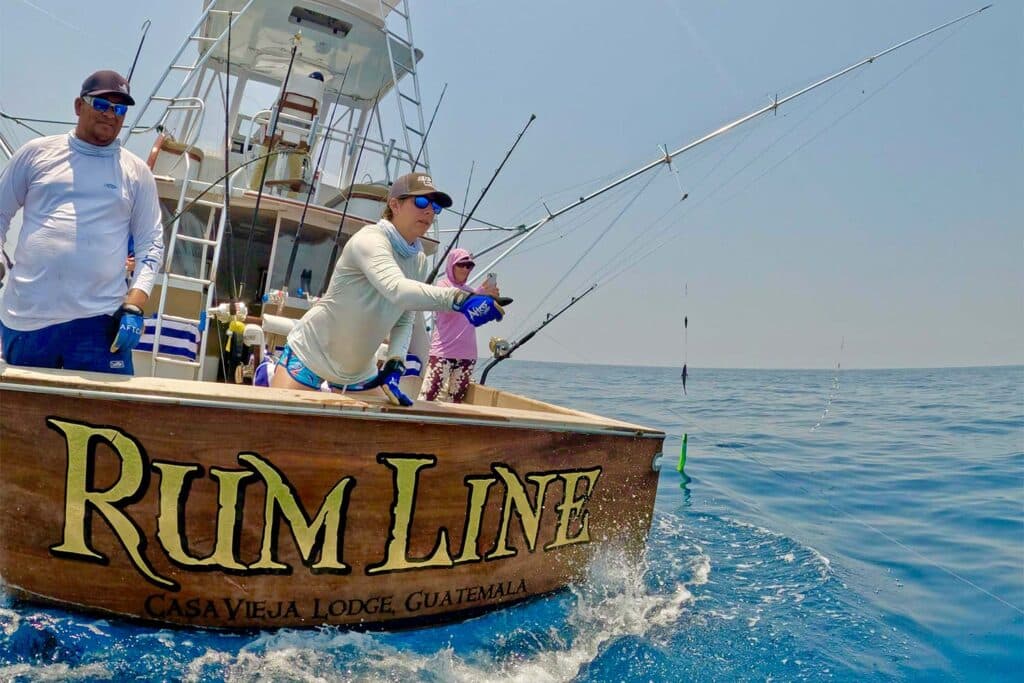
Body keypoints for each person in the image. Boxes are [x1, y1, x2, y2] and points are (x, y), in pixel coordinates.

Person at [271, 173, 505, 406]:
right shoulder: (370, 239)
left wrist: (395, 362)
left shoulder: (420, 259)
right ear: (394, 204)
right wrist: (462, 300)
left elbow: (405, 316)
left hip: (359, 374)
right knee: (280, 434)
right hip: (310, 358)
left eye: (435, 206)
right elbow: (397, 289)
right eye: (421, 202)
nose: (429, 211)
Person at [0, 70, 164, 374]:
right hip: (26, 319)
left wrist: (135, 304)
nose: (111, 115)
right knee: (20, 420)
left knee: (108, 420)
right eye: (102, 105)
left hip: (99, 324)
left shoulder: (137, 173)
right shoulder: (36, 154)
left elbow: (151, 243)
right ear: (79, 106)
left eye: (120, 109)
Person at [418, 249, 483, 403]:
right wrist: (478, 295)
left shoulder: (471, 292)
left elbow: (477, 316)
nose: (465, 269)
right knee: (428, 396)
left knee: (456, 401)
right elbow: (451, 304)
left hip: (467, 354)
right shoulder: (442, 286)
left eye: (469, 265)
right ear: (452, 266)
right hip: (442, 353)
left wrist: (490, 300)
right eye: (461, 264)